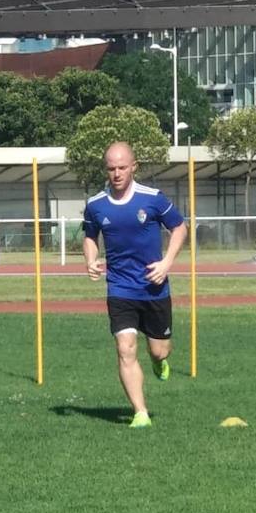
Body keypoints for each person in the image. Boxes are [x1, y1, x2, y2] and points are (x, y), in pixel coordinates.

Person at [82, 141, 188, 429]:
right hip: (119, 288)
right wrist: (91, 260)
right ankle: (140, 412)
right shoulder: (95, 205)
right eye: (111, 168)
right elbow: (90, 236)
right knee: (125, 348)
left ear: (133, 167)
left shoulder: (152, 198)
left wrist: (166, 263)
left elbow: (180, 227)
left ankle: (158, 361)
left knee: (159, 350)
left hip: (154, 288)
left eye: (122, 168)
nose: (116, 174)